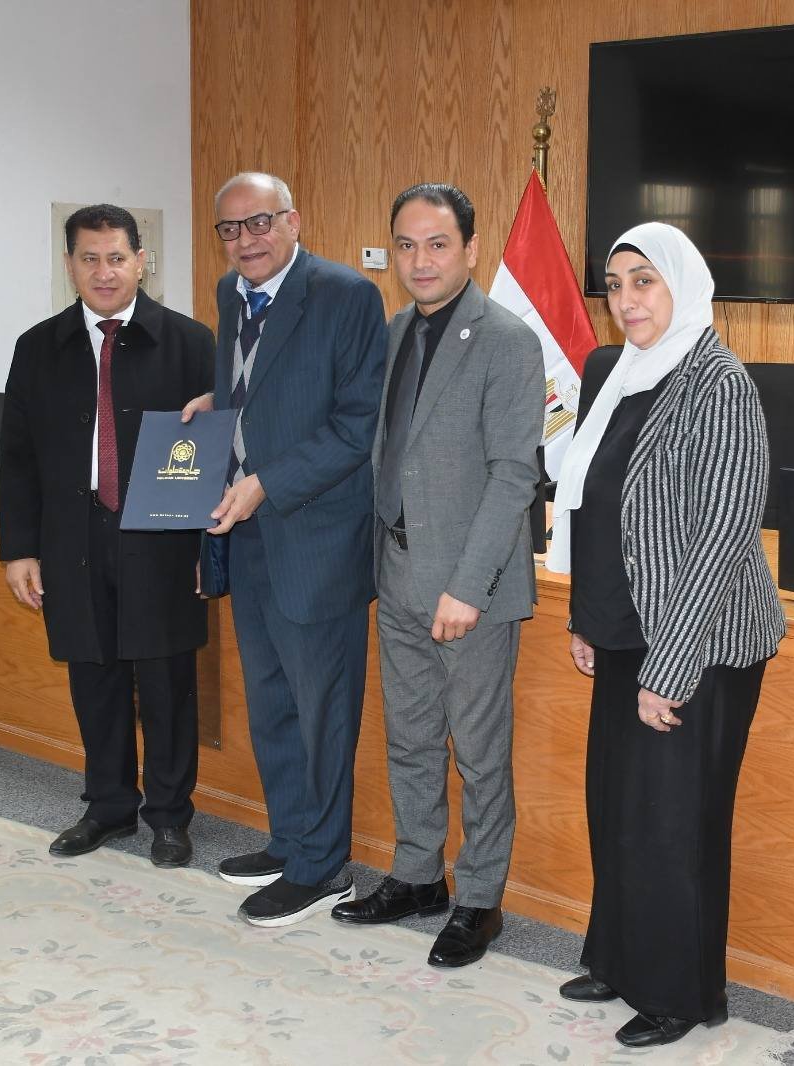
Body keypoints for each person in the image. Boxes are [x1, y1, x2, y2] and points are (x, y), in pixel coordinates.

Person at [547, 222, 785, 1048]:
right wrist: (588, 619)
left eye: (643, 280)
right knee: (619, 808)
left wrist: (670, 667)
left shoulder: (719, 383)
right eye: (615, 286)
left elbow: (722, 534)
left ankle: (680, 994)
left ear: (683, 283)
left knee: (673, 824)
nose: (626, 300)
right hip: (624, 630)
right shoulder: (618, 373)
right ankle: (619, 960)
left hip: (698, 642)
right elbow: (594, 506)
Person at [328, 184, 543, 968]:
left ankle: (479, 898)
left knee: (479, 753)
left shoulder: (507, 340)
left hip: (467, 588)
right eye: (407, 245)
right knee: (412, 738)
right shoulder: (394, 332)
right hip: (396, 571)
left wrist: (468, 586)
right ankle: (419, 876)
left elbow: (514, 474)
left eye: (438, 243)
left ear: (471, 249)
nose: (421, 261)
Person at [186, 172, 387, 927]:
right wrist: (217, 405)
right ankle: (290, 840)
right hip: (248, 537)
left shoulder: (347, 296)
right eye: (230, 228)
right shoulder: (229, 293)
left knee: (321, 713)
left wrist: (267, 482)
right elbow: (260, 387)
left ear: (293, 221)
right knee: (270, 703)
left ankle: (322, 867)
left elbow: (357, 425)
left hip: (316, 538)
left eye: (260, 222)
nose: (246, 240)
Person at [0, 204, 214, 867]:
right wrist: (19, 549)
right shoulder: (39, 347)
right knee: (94, 676)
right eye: (89, 259)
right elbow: (17, 458)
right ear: (69, 266)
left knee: (167, 679)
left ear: (141, 261)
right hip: (73, 533)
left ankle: (170, 817)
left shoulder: (190, 343)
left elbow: (219, 453)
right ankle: (109, 806)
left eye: (117, 257)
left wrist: (211, 549)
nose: (104, 271)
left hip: (163, 536)